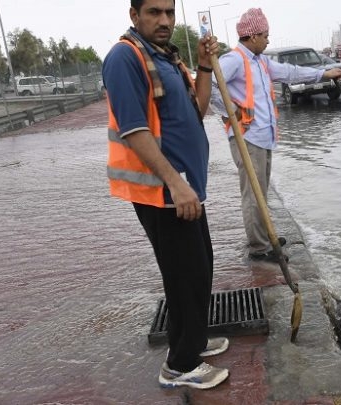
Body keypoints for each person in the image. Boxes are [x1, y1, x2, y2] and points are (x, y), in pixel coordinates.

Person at [103, 0, 229, 390]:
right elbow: (134, 129)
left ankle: (193, 339)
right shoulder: (125, 58)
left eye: (169, 13)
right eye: (154, 12)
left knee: (199, 267)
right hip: (163, 191)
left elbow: (198, 110)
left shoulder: (168, 59)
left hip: (185, 187)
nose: (164, 21)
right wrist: (174, 182)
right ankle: (180, 365)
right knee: (183, 276)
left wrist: (205, 66)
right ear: (134, 15)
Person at [210, 8, 341, 262]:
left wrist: (324, 73)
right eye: (265, 35)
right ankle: (259, 247)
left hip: (263, 136)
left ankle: (265, 237)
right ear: (251, 36)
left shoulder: (260, 61)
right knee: (253, 194)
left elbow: (291, 72)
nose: (268, 39)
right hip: (247, 137)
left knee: (261, 191)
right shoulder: (235, 59)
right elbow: (211, 84)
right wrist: (230, 110)